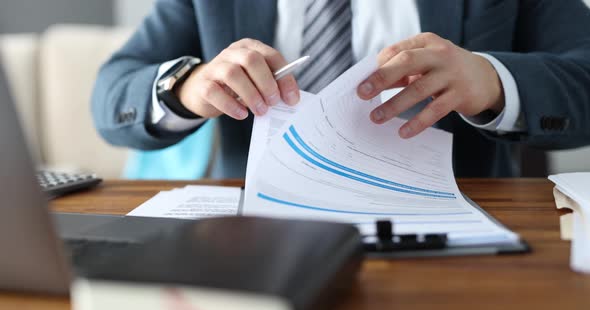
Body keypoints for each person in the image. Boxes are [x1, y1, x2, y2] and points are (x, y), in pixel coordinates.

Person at [92, 0, 590, 178]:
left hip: (457, 229)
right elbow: (113, 92)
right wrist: (188, 85)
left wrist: (493, 80)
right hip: (258, 234)